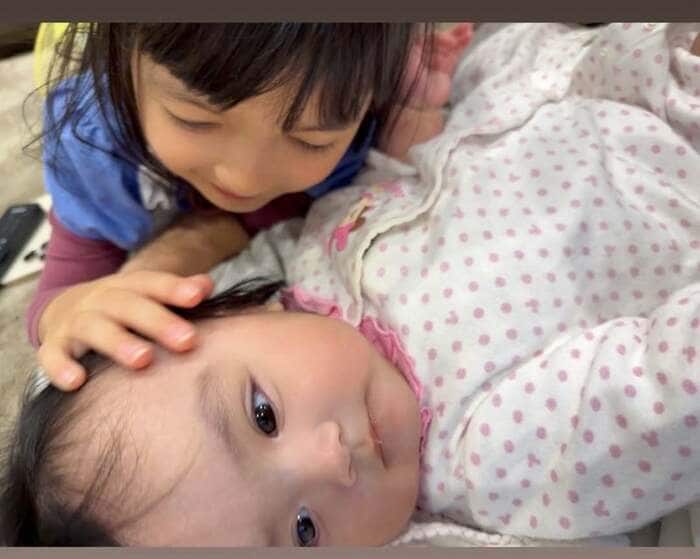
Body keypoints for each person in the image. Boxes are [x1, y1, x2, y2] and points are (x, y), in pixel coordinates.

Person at [4, 21, 700, 547]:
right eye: (304, 530)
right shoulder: (482, 454)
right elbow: (658, 398)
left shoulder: (306, 261)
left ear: (236, 309)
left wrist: (423, 99)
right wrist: (69, 307)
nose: (332, 457)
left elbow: (405, 170)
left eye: (264, 415)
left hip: (609, 87)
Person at [27, 23, 473, 391]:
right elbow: (61, 290)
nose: (244, 179)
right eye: (194, 120)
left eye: (310, 141)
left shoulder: (357, 112)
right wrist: (68, 312)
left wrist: (414, 109)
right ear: (122, 59)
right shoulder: (92, 143)